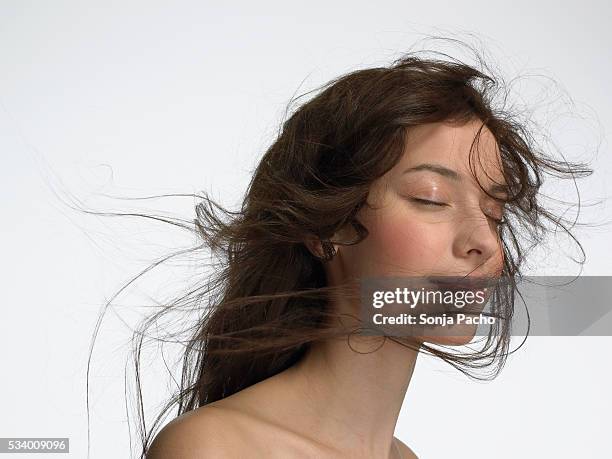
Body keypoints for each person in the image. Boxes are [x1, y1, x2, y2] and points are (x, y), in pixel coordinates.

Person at [140, 51, 589, 458]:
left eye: (493, 212)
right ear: (326, 226)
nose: (486, 243)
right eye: (431, 199)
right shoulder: (217, 449)